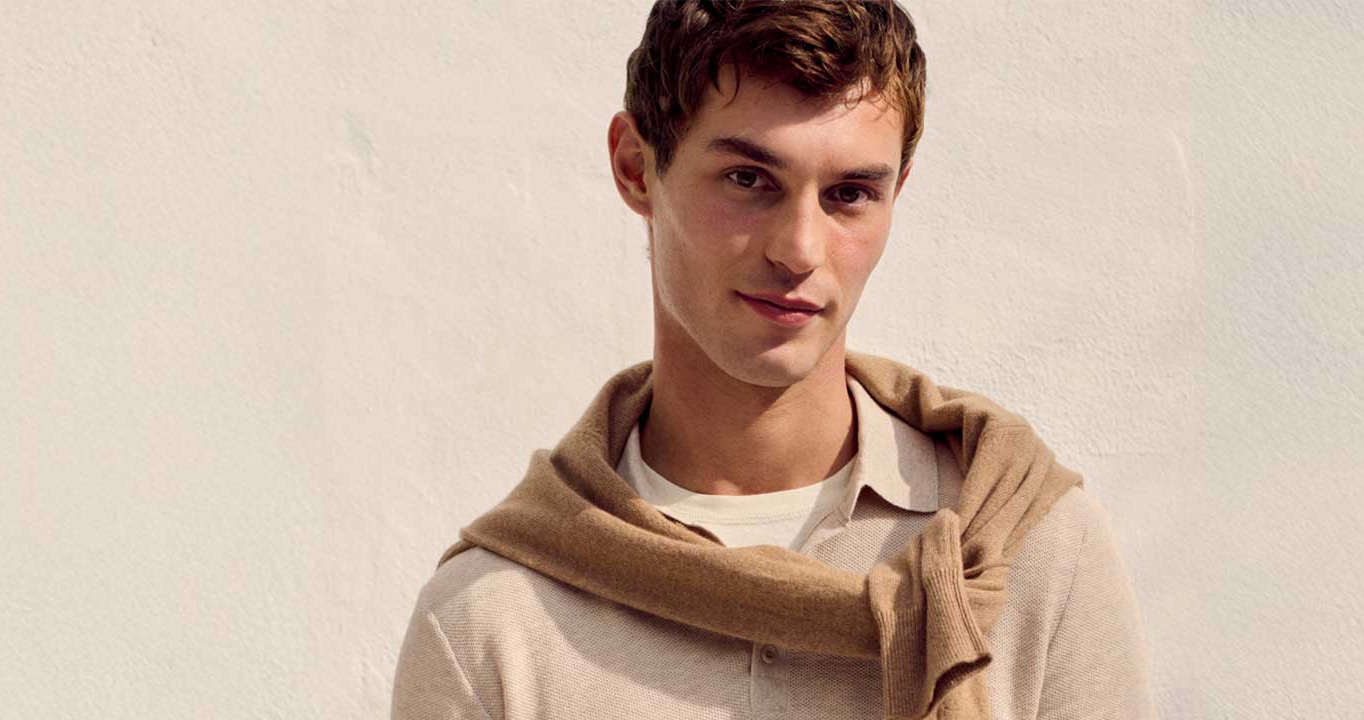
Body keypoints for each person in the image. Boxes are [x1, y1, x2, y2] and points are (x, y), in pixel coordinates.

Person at [391, 2, 1153, 718]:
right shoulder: (491, 618)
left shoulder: (1034, 551)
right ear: (635, 167)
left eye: (849, 194)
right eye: (749, 180)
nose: (799, 250)